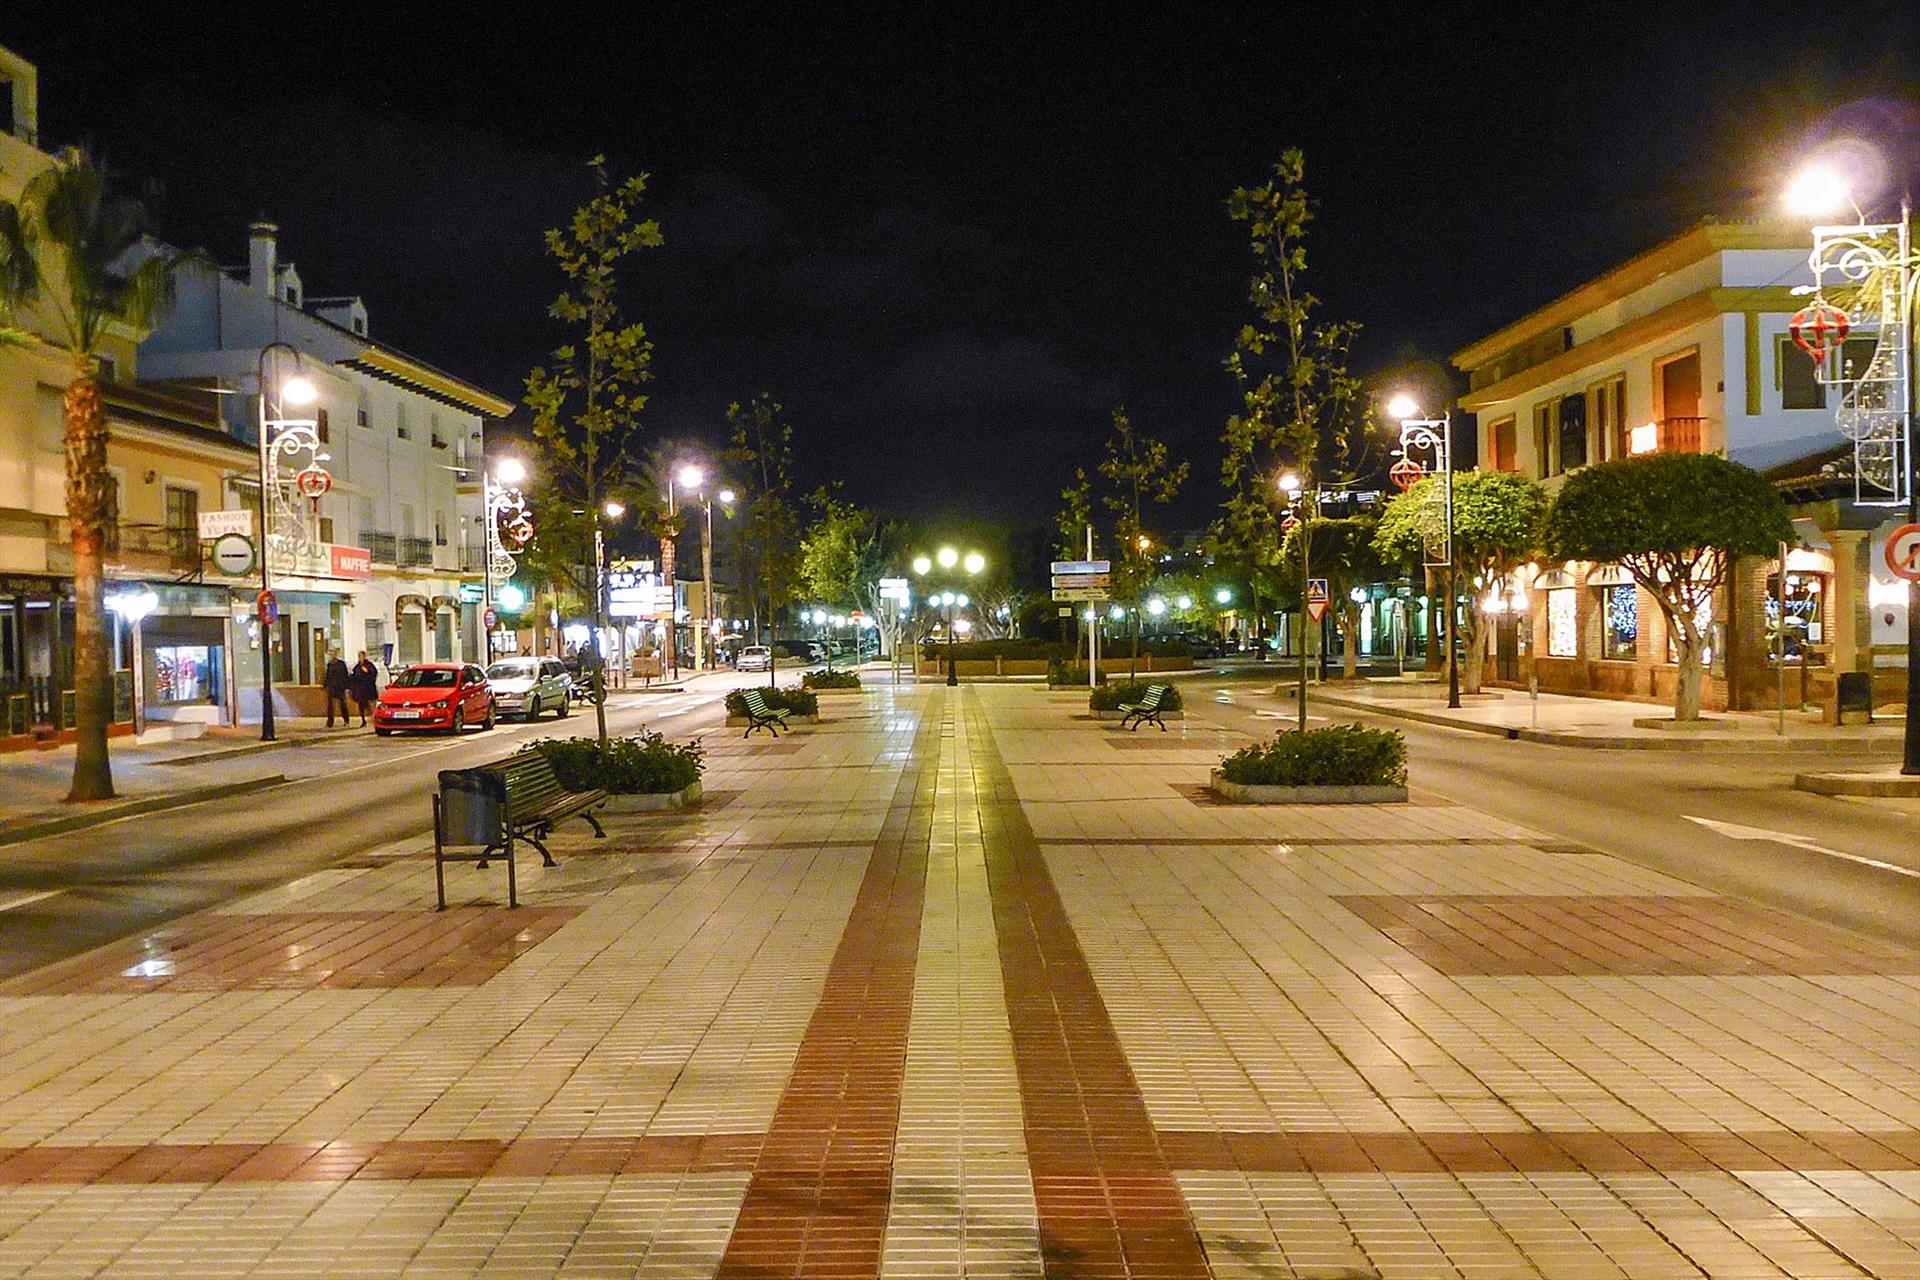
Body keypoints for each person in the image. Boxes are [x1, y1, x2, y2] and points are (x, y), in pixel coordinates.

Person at [347, 651, 379, 728]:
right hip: (360, 689)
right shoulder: (357, 667)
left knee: (371, 704)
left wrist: (367, 671)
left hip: (369, 688)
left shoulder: (369, 665)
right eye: (359, 656)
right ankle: (363, 720)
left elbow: (374, 673)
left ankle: (373, 719)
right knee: (361, 705)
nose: (361, 658)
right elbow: (353, 677)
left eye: (362, 656)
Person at [322, 651, 352, 728]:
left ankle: (346, 720)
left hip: (340, 687)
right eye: (330, 654)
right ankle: (330, 722)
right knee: (331, 706)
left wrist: (347, 687)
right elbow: (328, 676)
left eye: (333, 654)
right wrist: (325, 686)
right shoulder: (330, 664)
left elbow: (345, 675)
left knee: (343, 705)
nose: (332, 656)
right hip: (332, 688)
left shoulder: (341, 664)